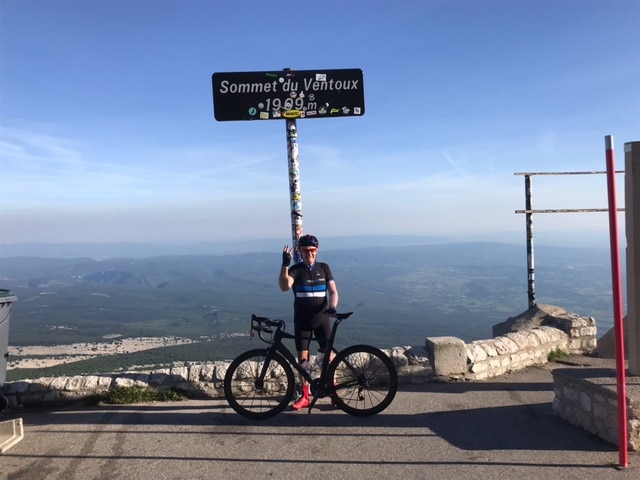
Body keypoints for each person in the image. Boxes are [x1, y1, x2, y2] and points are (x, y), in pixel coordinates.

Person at [278, 234, 339, 410]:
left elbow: (333, 291)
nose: (309, 253)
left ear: (317, 250)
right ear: (300, 251)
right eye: (305, 251)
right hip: (302, 320)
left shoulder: (324, 268)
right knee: (302, 360)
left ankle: (334, 392)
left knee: (328, 357)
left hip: (322, 319)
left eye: (312, 250)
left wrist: (332, 307)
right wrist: (284, 265)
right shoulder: (296, 270)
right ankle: (305, 396)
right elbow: (284, 286)